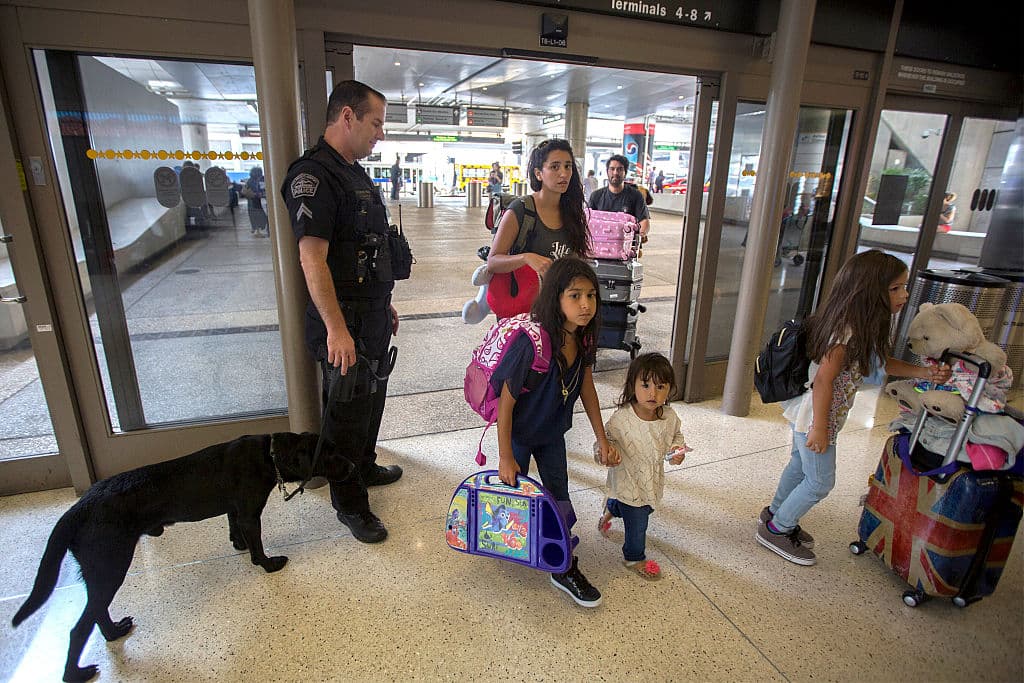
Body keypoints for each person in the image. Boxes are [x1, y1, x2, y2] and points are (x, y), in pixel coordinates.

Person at [756, 250, 952, 566]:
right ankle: (778, 529)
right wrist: (820, 428)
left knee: (799, 464)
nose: (904, 295)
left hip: (813, 412)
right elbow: (824, 381)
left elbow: (881, 362)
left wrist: (925, 373)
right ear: (868, 292)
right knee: (820, 482)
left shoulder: (859, 326)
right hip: (816, 415)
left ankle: (775, 513)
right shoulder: (845, 332)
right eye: (895, 288)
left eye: (904, 286)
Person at [281, 79, 407, 544]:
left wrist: (384, 303)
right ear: (348, 116)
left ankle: (365, 466)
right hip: (343, 322)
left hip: (369, 316)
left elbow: (366, 250)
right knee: (346, 411)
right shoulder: (314, 176)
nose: (380, 133)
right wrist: (336, 329)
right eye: (376, 123)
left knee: (370, 400)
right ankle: (349, 503)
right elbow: (312, 259)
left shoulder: (355, 173)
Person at [492, 256, 618, 608]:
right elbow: (505, 403)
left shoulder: (584, 338)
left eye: (591, 295)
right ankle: (508, 538)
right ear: (556, 297)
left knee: (558, 493)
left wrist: (601, 437)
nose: (585, 305)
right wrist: (505, 456)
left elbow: (587, 387)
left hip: (551, 434)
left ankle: (561, 564)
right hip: (518, 434)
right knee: (512, 491)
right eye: (575, 296)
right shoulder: (531, 342)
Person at [597, 352, 689, 581]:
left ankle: (611, 509)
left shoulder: (669, 417)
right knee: (638, 524)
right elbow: (603, 442)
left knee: (643, 507)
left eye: (660, 387)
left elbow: (676, 437)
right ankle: (634, 557)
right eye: (646, 385)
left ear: (670, 389)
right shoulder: (622, 419)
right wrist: (606, 452)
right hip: (627, 480)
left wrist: (676, 451)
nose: (652, 393)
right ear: (632, 385)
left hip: (651, 480)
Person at [487, 138, 590, 287]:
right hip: (527, 298)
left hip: (560, 298)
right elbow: (493, 262)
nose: (563, 173)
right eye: (555, 167)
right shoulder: (521, 210)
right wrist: (525, 258)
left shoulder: (572, 210)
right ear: (538, 174)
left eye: (568, 166)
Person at [588, 155, 651, 240]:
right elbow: (588, 220)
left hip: (627, 245)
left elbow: (644, 220)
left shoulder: (636, 195)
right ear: (607, 171)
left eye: (620, 169)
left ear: (625, 172)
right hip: (601, 244)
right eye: (612, 169)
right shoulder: (596, 196)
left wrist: (642, 234)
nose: (615, 173)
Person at [243, 166, 269, 237]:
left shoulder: (250, 180)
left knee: (255, 217)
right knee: (260, 217)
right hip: (254, 202)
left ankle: (255, 230)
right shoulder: (253, 181)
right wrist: (261, 194)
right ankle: (257, 232)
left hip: (252, 202)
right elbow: (257, 191)